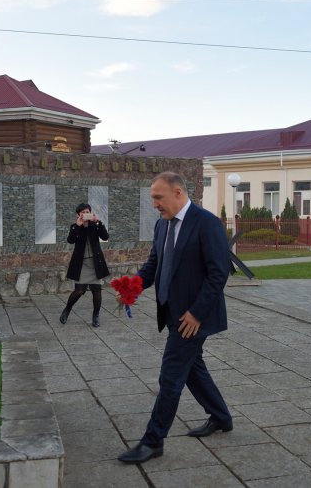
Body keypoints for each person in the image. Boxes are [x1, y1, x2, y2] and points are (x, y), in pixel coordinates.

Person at [117, 172, 233, 465]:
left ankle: (153, 441)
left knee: (170, 377)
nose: (155, 204)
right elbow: (155, 263)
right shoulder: (162, 225)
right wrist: (134, 286)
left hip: (192, 317)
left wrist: (197, 313)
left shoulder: (207, 224)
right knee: (193, 368)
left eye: (159, 197)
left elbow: (218, 273)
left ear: (178, 192)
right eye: (153, 198)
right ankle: (220, 417)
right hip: (171, 310)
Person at [59, 203, 110, 328]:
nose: (85, 214)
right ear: (78, 214)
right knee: (79, 290)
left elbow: (105, 236)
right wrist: (77, 226)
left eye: (87, 211)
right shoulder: (75, 227)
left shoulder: (95, 225)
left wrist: (98, 222)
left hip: (95, 263)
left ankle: (96, 316)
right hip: (81, 264)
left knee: (96, 290)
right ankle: (67, 309)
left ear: (90, 213)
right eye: (82, 212)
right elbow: (70, 240)